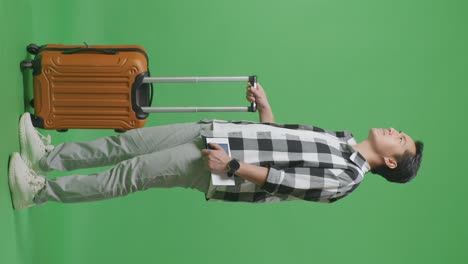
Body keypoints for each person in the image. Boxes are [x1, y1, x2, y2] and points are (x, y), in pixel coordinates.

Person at [8, 83, 424, 210]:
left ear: (390, 160)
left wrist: (231, 165)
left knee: (129, 175)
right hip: (219, 132)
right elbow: (276, 143)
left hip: (217, 163)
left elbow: (283, 181)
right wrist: (266, 108)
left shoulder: (347, 178)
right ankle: (47, 158)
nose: (392, 129)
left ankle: (39, 192)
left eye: (399, 138)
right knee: (129, 142)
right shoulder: (340, 140)